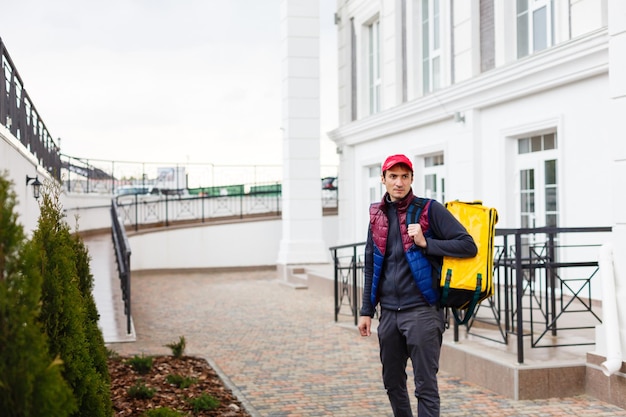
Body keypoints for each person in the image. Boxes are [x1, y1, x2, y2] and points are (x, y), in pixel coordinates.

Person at [357, 154, 477, 417]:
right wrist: (366, 310)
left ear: (412, 179)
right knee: (392, 383)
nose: (398, 182)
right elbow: (370, 262)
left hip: (422, 311)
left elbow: (468, 245)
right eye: (393, 176)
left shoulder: (429, 209)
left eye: (404, 176)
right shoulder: (376, 215)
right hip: (388, 313)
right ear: (383, 179)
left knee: (425, 386)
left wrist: (426, 243)